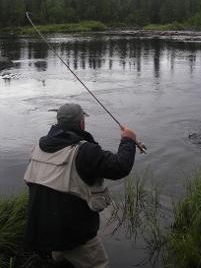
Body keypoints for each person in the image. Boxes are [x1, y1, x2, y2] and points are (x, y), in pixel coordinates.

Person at [24, 103, 136, 268]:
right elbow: (120, 167)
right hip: (73, 236)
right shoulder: (84, 151)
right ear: (82, 124)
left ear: (58, 122)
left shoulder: (37, 148)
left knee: (63, 261)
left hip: (41, 231)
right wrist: (128, 140)